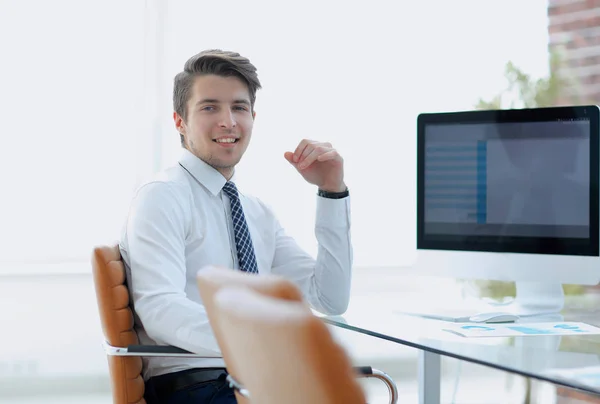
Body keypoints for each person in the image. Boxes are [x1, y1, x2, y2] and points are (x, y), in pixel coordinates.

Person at [119, 49, 353, 403]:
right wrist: (258, 341)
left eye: (239, 108)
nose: (228, 121)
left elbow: (329, 298)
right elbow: (160, 310)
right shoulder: (162, 197)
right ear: (179, 121)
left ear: (253, 117)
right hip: (198, 384)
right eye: (210, 107)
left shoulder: (256, 212)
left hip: (259, 381)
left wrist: (332, 191)